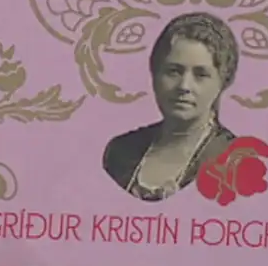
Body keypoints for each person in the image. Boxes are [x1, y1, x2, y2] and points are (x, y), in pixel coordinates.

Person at [101, 11, 239, 201]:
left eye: (200, 74)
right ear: (155, 75)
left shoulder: (234, 160)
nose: (184, 86)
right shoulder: (120, 152)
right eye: (174, 71)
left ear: (222, 82)